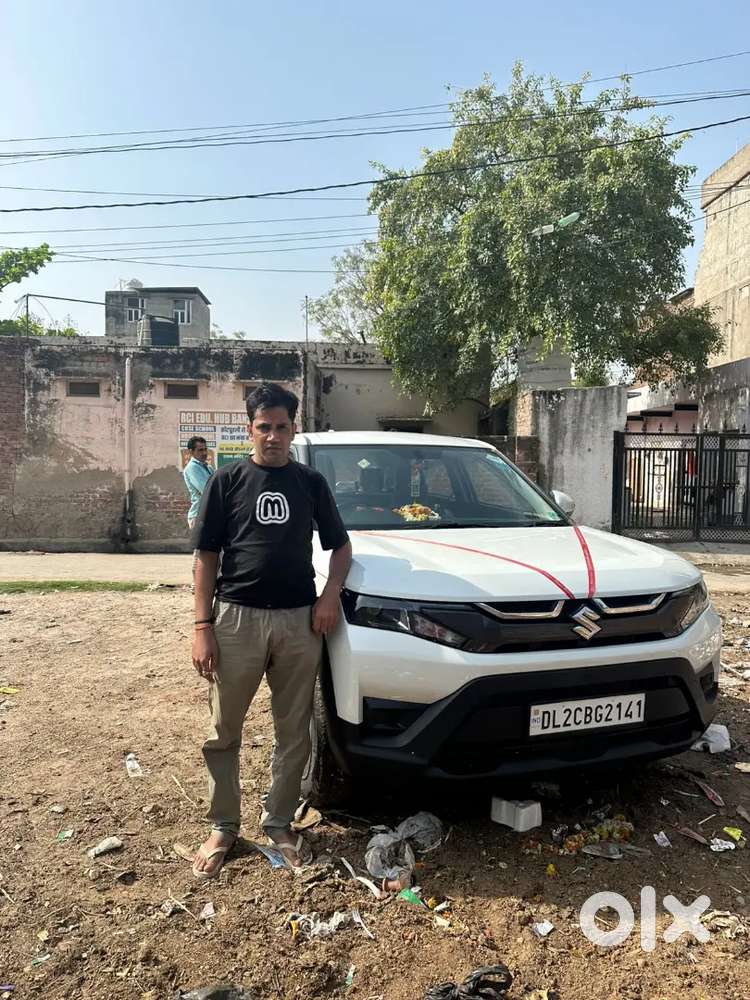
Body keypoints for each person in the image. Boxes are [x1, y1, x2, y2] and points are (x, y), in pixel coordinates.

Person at [190, 382, 351, 878]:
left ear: (293, 428)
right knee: (223, 730)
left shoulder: (310, 483)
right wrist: (202, 625)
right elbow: (206, 557)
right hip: (236, 618)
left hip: (298, 621)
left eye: (282, 426)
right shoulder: (227, 480)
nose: (274, 436)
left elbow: (340, 549)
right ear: (250, 428)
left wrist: (329, 598)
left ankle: (279, 820)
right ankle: (223, 823)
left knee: (294, 731)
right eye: (265, 427)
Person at [182, 436, 214, 530]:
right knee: (203, 545)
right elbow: (207, 490)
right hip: (199, 515)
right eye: (200, 450)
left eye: (205, 449)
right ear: (191, 452)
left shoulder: (208, 467)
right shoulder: (192, 468)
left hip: (208, 513)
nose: (204, 453)